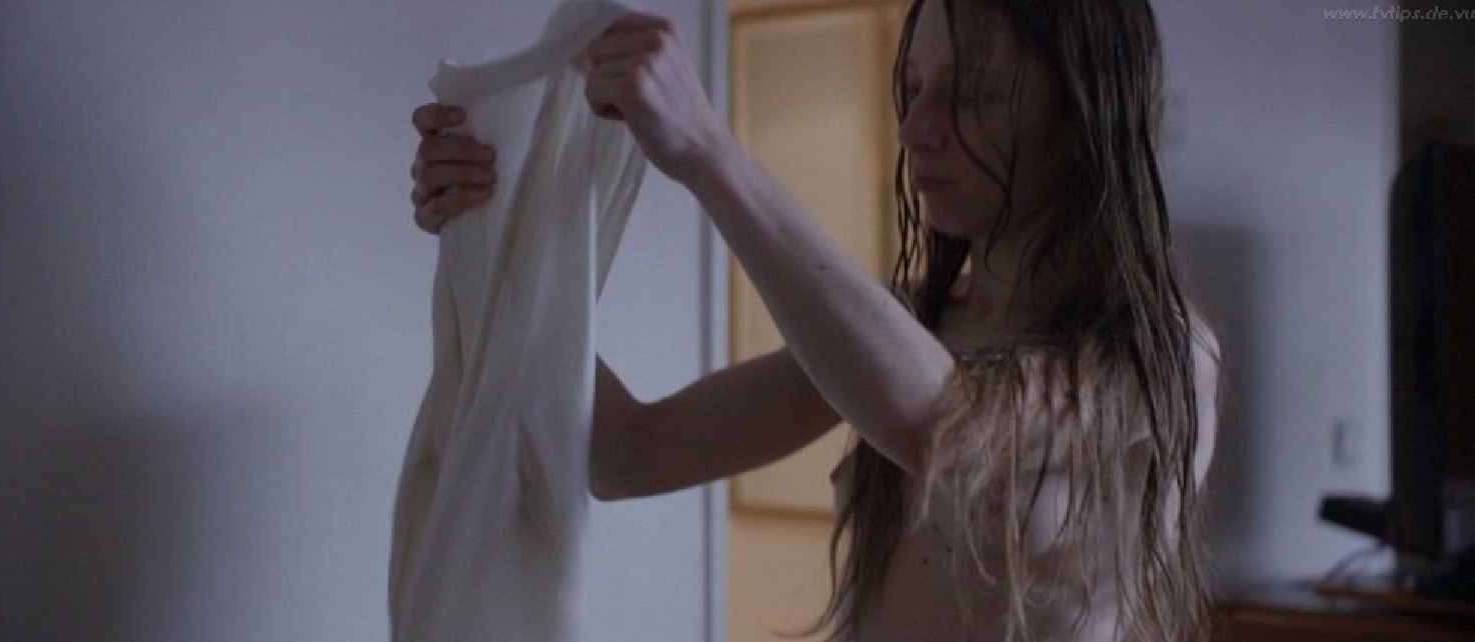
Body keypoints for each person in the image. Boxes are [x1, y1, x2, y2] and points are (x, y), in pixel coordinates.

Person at [406, 0, 1220, 639]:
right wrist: (489, 236)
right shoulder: (914, 328)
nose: (916, 129)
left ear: (1085, 118)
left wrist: (710, 151)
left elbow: (942, 428)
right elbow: (627, 453)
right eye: (913, 88)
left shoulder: (1163, 358)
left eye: (972, 92)